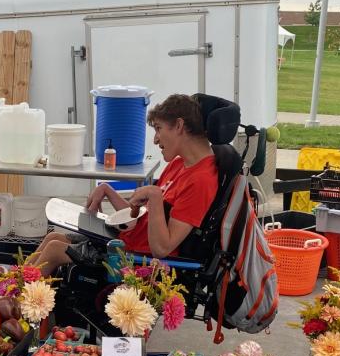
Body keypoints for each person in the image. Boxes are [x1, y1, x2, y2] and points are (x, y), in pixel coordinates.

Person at [27, 94, 218, 277]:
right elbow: (141, 218)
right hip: (127, 242)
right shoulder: (179, 164)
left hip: (141, 260)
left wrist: (155, 195)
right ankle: (10, 288)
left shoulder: (201, 181)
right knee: (53, 238)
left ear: (178, 125)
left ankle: (16, 300)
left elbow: (162, 248)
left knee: (54, 250)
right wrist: (109, 191)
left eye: (159, 128)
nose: (155, 139)